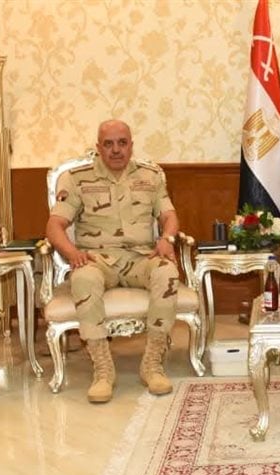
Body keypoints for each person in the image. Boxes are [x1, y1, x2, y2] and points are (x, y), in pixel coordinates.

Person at [46, 120, 182, 403]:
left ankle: (152, 364)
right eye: (108, 144)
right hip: (97, 259)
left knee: (167, 271)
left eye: (122, 143)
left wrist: (166, 239)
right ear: (99, 147)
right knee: (83, 277)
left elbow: (169, 216)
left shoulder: (150, 177)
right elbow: (54, 226)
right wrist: (72, 253)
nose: (116, 150)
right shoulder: (77, 178)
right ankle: (103, 370)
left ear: (131, 146)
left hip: (141, 258)